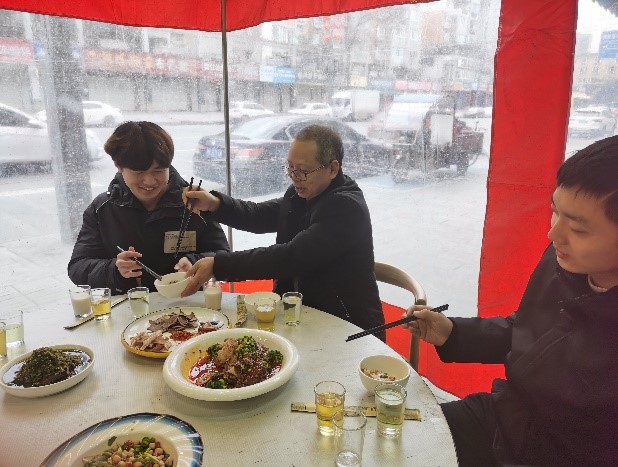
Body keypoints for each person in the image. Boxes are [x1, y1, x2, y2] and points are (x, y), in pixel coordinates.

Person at [402, 135, 618, 466]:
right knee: (393, 437)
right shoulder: (564, 261)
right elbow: (530, 331)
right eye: (555, 212)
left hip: (556, 455)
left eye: (578, 229)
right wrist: (452, 332)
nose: (554, 235)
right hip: (503, 418)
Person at [176, 124, 385, 338]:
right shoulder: (301, 194)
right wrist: (214, 204)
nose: (294, 177)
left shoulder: (346, 207)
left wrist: (218, 264)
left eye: (303, 171)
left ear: (332, 169)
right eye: (290, 167)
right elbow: (257, 215)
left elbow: (290, 257)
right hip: (302, 314)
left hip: (348, 325)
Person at [68, 121, 229, 294]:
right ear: (118, 166)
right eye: (139, 173)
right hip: (132, 306)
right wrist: (114, 269)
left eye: (158, 171)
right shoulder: (103, 209)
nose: (150, 181)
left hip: (189, 304)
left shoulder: (195, 201)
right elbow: (78, 267)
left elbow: (223, 255)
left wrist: (196, 261)